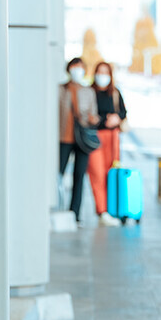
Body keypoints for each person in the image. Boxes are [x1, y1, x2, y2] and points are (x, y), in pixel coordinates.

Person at [59, 58, 99, 224]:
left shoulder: (88, 91)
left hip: (81, 138)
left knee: (79, 176)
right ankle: (58, 207)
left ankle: (75, 212)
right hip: (63, 137)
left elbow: (94, 115)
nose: (77, 70)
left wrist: (92, 119)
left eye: (81, 67)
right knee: (58, 174)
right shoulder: (60, 89)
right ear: (69, 69)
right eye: (75, 67)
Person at [88, 61, 128, 226]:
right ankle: (102, 210)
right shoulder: (89, 92)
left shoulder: (115, 93)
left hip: (113, 138)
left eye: (105, 72)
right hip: (95, 137)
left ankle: (113, 208)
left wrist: (116, 118)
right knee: (97, 174)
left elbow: (123, 112)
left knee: (111, 173)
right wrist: (105, 120)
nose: (102, 76)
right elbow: (88, 116)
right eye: (100, 72)